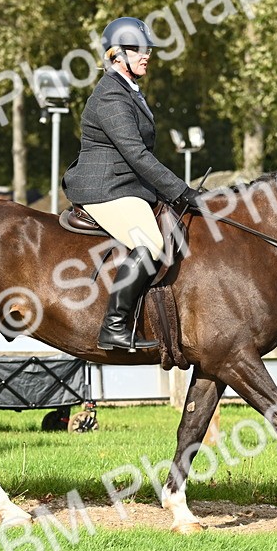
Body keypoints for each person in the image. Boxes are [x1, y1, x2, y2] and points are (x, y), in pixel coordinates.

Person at [62, 17, 199, 352]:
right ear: (115, 55)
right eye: (137, 49)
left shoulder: (130, 91)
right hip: (105, 188)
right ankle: (114, 327)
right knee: (151, 242)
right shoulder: (110, 95)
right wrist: (182, 190)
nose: (146, 55)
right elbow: (136, 154)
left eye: (147, 48)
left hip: (125, 185)